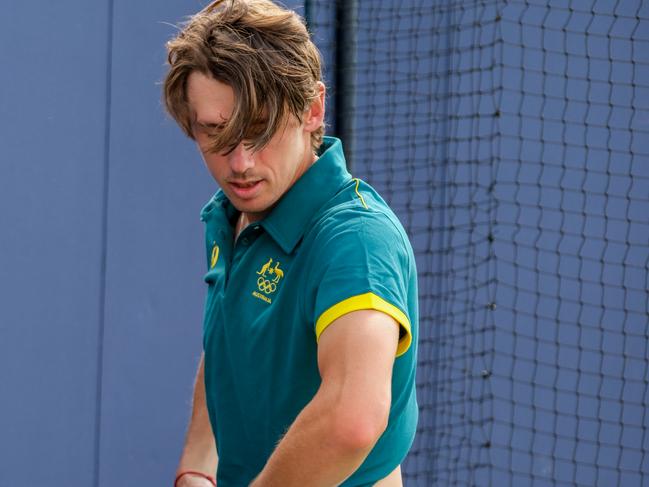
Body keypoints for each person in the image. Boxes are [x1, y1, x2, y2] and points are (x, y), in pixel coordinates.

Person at [163, 1, 419, 485]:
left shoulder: (356, 238)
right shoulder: (234, 214)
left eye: (258, 130)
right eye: (215, 133)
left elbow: (353, 419)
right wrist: (198, 467)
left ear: (313, 109)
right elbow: (231, 344)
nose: (239, 163)